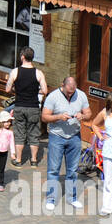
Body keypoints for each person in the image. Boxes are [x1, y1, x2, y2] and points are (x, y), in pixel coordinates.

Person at [41, 77, 92, 210]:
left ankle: (72, 198)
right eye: (68, 92)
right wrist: (58, 117)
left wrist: (83, 116)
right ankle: (51, 199)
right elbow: (44, 117)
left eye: (72, 92)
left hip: (74, 136)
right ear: (62, 85)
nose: (70, 94)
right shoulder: (53, 97)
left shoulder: (81, 95)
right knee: (53, 169)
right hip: (56, 136)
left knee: (73, 170)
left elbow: (89, 114)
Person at [5, 47, 48, 166]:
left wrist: (16, 89)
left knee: (19, 133)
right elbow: (44, 90)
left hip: (20, 106)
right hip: (34, 107)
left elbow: (8, 89)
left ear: (23, 57)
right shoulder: (38, 73)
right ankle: (33, 160)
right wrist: (35, 91)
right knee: (34, 134)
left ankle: (18, 160)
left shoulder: (15, 72)